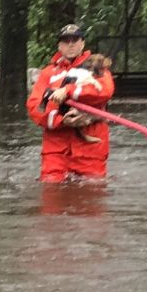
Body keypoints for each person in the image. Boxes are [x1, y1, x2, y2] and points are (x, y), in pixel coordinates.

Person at [26, 24, 116, 182]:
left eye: (75, 39)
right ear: (59, 45)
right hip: (55, 150)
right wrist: (62, 121)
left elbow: (104, 91)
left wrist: (68, 90)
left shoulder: (96, 67)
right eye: (66, 40)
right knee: (51, 194)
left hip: (90, 149)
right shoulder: (48, 73)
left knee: (91, 197)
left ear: (82, 43)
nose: (71, 44)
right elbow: (34, 107)